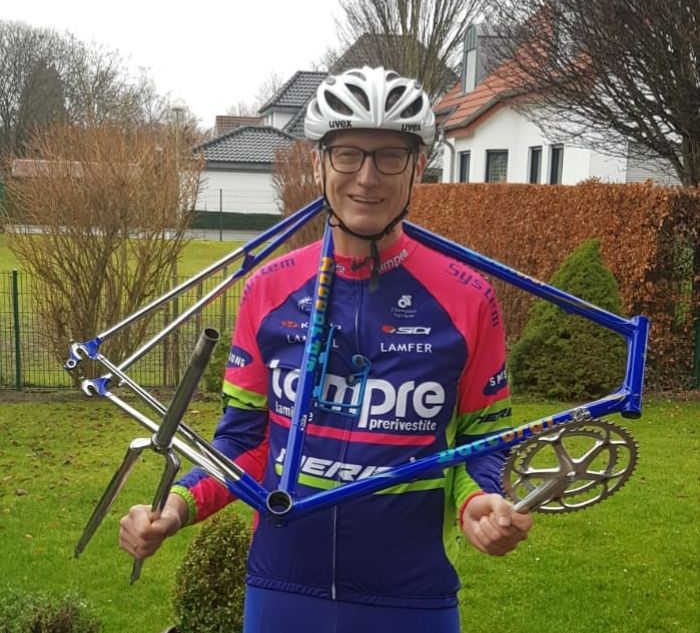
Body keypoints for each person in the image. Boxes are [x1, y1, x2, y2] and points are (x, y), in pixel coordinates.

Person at [119, 67, 533, 632]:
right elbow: (245, 443)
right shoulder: (268, 291)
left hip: (412, 598)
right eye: (347, 154)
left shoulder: (468, 298)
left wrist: (478, 501)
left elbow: (483, 442)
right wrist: (175, 506)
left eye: (390, 156)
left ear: (418, 167)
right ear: (319, 163)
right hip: (283, 590)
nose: (367, 177)